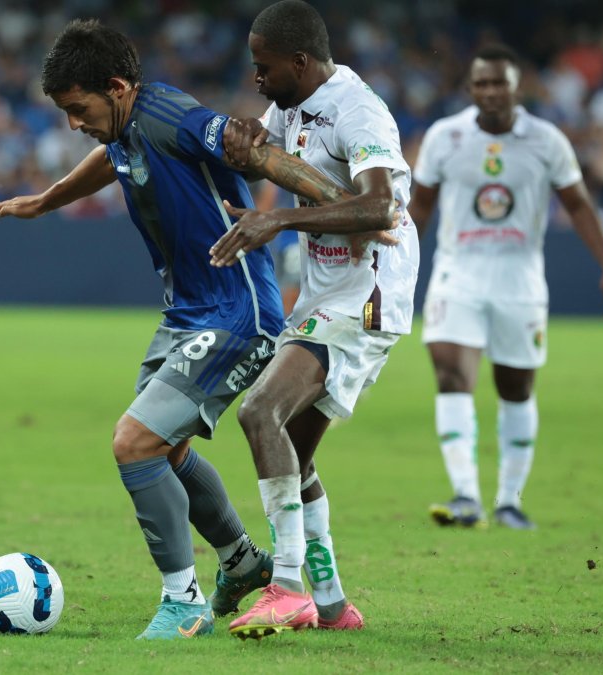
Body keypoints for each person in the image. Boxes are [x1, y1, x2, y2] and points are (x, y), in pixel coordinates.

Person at [0, 18, 390, 640]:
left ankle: (184, 599)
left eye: (77, 108)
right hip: (188, 312)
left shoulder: (171, 116)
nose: (73, 123)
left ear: (117, 88)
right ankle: (241, 562)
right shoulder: (126, 125)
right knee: (163, 449)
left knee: (134, 443)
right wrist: (48, 198)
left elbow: (257, 153)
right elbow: (110, 157)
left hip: (237, 312)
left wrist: (350, 209)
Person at [207, 0, 418, 639]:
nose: (256, 78)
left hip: (369, 294)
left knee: (258, 412)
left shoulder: (359, 111)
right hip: (326, 294)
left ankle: (288, 588)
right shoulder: (293, 103)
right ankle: (329, 604)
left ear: (300, 61)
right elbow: (267, 149)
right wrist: (245, 142)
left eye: (264, 68)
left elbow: (380, 206)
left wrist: (280, 219)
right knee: (293, 454)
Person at [406, 44, 603, 531]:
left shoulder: (546, 141)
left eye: (499, 82)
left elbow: (580, 206)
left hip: (519, 279)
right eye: (481, 83)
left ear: (516, 86)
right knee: (450, 374)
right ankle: (466, 495)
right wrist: (397, 266)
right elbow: (419, 207)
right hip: (456, 273)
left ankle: (509, 500)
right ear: (470, 89)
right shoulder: (445, 137)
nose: (490, 91)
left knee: (515, 387)